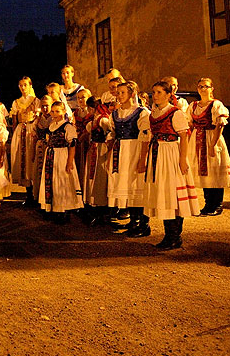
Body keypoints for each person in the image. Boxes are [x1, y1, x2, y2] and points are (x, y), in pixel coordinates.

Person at [139, 81, 199, 250]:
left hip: (171, 153)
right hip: (157, 152)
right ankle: (170, 235)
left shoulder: (175, 113)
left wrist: (182, 160)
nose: (155, 95)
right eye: (154, 92)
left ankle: (174, 236)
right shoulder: (153, 114)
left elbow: (184, 137)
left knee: (173, 193)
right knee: (164, 193)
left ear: (167, 94)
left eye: (159, 92)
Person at [105, 81, 151, 236]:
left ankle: (142, 224)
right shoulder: (115, 114)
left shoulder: (141, 112)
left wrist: (142, 159)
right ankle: (133, 220)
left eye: (122, 92)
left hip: (134, 150)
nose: (119, 95)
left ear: (132, 94)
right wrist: (110, 155)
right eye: (118, 92)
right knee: (125, 185)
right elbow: (112, 134)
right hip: (120, 152)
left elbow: (146, 137)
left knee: (136, 185)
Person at [187, 77, 230, 216]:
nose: (203, 89)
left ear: (211, 88)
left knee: (214, 171)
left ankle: (217, 204)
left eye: (206, 86)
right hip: (198, 139)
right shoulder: (193, 106)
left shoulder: (216, 105)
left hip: (211, 138)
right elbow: (190, 124)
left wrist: (213, 144)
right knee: (204, 174)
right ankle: (208, 204)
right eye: (200, 86)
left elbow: (220, 125)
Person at [37, 101, 84, 223]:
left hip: (62, 155)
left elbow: (72, 145)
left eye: (57, 111)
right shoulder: (52, 125)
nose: (54, 114)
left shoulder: (68, 127)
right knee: (52, 181)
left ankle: (64, 210)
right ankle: (53, 208)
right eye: (53, 111)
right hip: (51, 155)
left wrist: (69, 162)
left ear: (64, 112)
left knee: (62, 182)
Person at [10, 77, 40, 205]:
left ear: (30, 85)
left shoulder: (35, 101)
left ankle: (35, 193)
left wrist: (35, 129)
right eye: (21, 85)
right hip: (20, 131)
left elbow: (38, 117)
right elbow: (14, 120)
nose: (23, 87)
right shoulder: (16, 102)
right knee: (22, 160)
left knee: (31, 159)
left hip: (31, 130)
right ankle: (28, 193)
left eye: (25, 85)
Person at [83, 97, 112, 226]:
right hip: (94, 149)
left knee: (99, 178)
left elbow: (111, 133)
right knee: (92, 178)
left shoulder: (103, 119)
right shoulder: (95, 120)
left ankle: (102, 211)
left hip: (101, 150)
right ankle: (94, 208)